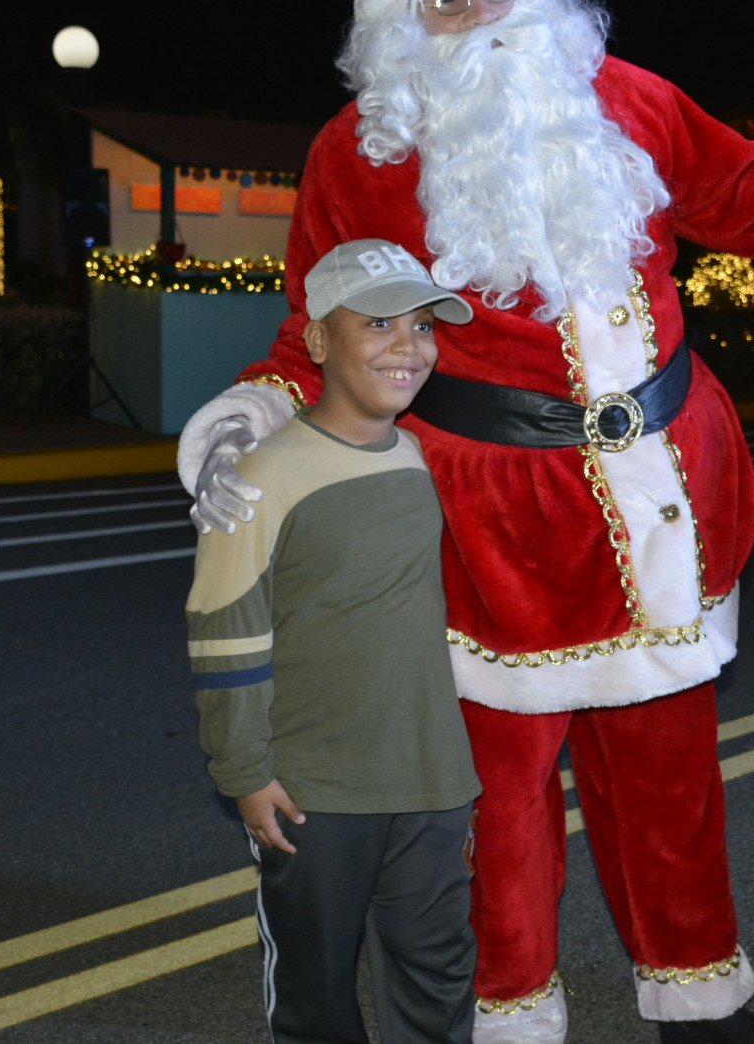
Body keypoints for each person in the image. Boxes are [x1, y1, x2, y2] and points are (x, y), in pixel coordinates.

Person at [176, 0, 754, 1043]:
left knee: (670, 776)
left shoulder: (630, 99)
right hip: (491, 527)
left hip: (664, 494)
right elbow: (318, 329)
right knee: (497, 799)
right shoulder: (358, 157)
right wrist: (258, 411)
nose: (481, 13)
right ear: (399, 30)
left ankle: (700, 1001)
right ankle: (506, 1015)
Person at [185, 238, 481, 1044]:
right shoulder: (260, 477)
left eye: (423, 326)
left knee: (438, 977)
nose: (407, 346)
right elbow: (224, 635)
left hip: (432, 778)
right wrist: (244, 771)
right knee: (315, 995)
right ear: (318, 339)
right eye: (379, 322)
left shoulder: (419, 454)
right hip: (315, 791)